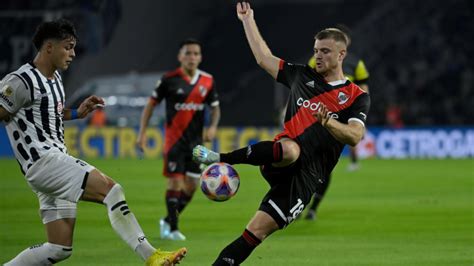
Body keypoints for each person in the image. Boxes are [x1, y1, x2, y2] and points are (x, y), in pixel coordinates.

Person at [192, 2, 370, 265]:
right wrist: (247, 20)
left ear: (342, 54)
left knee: (254, 233)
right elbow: (264, 58)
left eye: (325, 51)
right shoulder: (301, 76)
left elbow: (355, 136)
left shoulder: (356, 97)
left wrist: (329, 123)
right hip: (281, 158)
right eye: (315, 51)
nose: (318, 56)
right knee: (290, 149)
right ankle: (220, 157)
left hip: (307, 178)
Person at [0, 19, 186, 265]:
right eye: (68, 47)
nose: (73, 54)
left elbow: (50, 112)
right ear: (48, 47)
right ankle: (150, 256)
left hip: (51, 162)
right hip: (45, 162)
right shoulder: (20, 81)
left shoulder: (54, 80)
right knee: (111, 190)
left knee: (58, 248)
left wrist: (78, 112)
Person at [136, 38, 220, 241]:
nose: (192, 57)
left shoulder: (207, 80)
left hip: (196, 144)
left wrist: (213, 127)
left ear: (200, 57)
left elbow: (215, 107)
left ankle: (167, 219)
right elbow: (150, 105)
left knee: (191, 187)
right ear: (180, 56)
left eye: (196, 54)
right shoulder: (169, 79)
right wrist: (142, 133)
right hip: (174, 142)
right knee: (174, 183)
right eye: (188, 53)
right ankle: (172, 229)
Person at [305, 26, 370, 220]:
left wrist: (361, 115)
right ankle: (299, 202)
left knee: (325, 165)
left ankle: (312, 208)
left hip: (340, 120)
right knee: (305, 163)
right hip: (315, 116)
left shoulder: (357, 62)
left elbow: (364, 87)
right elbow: (303, 85)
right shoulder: (316, 61)